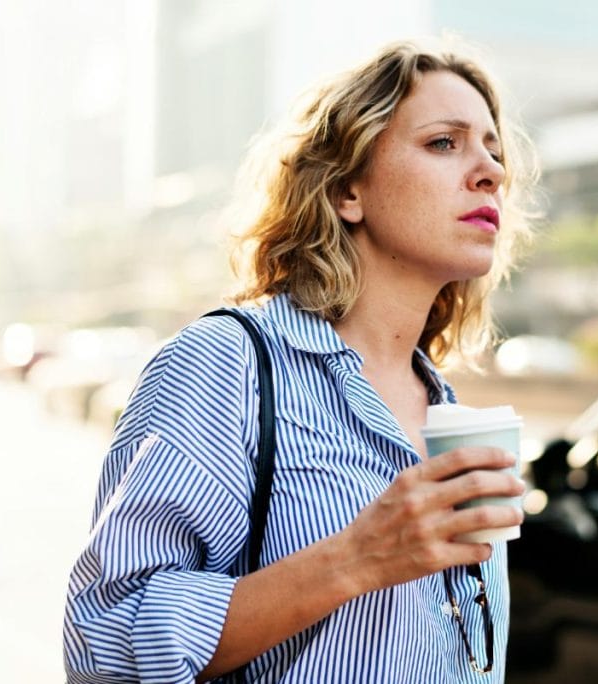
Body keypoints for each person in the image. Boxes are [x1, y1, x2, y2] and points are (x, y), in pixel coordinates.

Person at [63, 39, 537, 683]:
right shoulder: (228, 367)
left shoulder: (448, 414)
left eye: (494, 150)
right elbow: (104, 642)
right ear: (347, 189)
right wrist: (354, 558)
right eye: (444, 143)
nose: (490, 172)